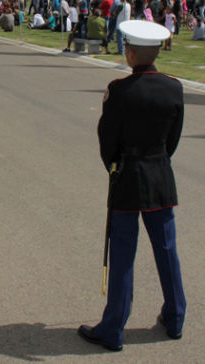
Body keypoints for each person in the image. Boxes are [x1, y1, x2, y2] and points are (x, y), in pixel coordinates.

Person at [78, 20, 186, 352]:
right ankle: (175, 317)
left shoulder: (119, 90)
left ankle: (113, 328)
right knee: (167, 250)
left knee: (123, 254)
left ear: (132, 53)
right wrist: (155, 158)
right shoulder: (174, 87)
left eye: (127, 49)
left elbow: (106, 140)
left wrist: (115, 165)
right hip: (158, 176)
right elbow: (173, 139)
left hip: (126, 176)